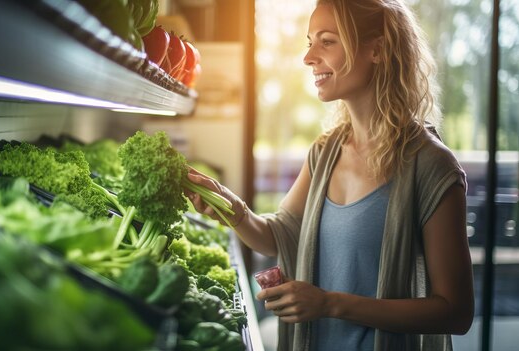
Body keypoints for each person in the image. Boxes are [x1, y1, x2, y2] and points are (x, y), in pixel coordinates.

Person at [184, 0, 474, 350]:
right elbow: (277, 236)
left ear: (378, 50)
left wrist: (329, 303)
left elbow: (455, 312)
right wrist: (233, 209)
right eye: (310, 42)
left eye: (327, 41)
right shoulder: (325, 152)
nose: (308, 58)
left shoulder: (432, 166)